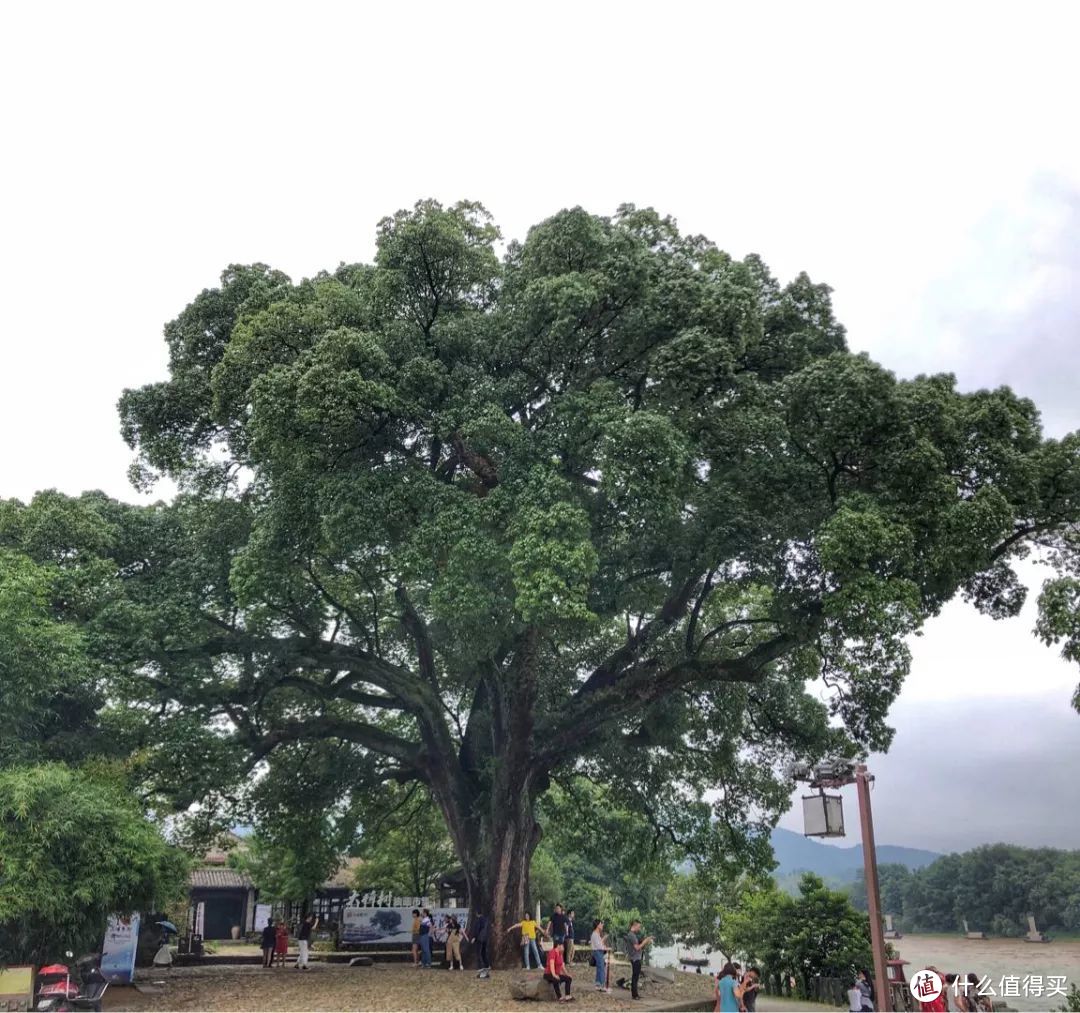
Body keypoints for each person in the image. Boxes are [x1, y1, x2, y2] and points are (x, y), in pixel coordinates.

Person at [623, 919, 653, 1000]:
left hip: (636, 958)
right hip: (635, 958)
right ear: (634, 925)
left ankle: (635, 994)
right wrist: (646, 941)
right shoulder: (631, 935)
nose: (639, 928)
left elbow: (638, 945)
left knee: (636, 977)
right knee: (635, 976)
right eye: (639, 926)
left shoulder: (632, 935)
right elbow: (637, 947)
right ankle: (634, 995)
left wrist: (646, 941)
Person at [589, 919, 610, 992]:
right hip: (598, 952)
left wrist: (603, 939)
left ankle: (598, 985)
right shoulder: (595, 934)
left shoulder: (597, 934)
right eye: (601, 924)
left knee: (599, 968)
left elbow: (600, 943)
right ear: (597, 925)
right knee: (601, 969)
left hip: (599, 952)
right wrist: (606, 948)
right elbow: (598, 946)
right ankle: (602, 985)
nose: (602, 925)